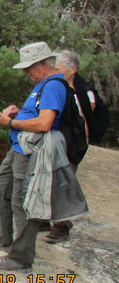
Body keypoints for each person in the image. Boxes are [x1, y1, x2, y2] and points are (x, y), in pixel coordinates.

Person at [0, 42, 67, 270]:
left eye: (29, 67)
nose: (25, 73)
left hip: (31, 151)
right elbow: (39, 115)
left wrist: (11, 122)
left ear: (41, 63)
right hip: (19, 148)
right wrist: (20, 114)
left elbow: (45, 122)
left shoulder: (53, 85)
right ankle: (2, 237)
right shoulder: (44, 84)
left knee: (23, 202)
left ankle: (20, 257)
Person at [43, 49, 94, 243]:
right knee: (48, 180)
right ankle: (45, 219)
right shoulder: (58, 87)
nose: (53, 71)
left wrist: (76, 149)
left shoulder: (81, 92)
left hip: (71, 144)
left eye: (57, 68)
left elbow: (84, 122)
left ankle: (62, 225)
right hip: (58, 142)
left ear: (72, 69)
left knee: (64, 182)